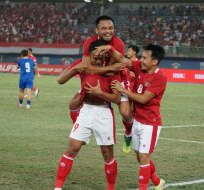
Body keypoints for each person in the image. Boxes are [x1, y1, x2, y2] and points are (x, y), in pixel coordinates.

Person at [95, 44, 167, 190]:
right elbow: (122, 59)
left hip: (150, 124)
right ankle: (158, 182)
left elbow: (143, 99)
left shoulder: (159, 77)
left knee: (144, 158)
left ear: (155, 61)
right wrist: (110, 48)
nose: (141, 60)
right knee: (140, 157)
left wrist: (123, 90)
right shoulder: (140, 67)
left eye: (145, 58)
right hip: (137, 121)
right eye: (142, 57)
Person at [54, 39, 121, 190]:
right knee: (72, 148)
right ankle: (58, 187)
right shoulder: (82, 64)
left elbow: (116, 99)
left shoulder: (112, 71)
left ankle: (111, 187)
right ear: (89, 55)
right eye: (94, 58)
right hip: (86, 111)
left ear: (105, 56)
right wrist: (76, 69)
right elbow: (60, 80)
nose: (98, 61)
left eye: (100, 58)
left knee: (107, 153)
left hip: (104, 113)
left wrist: (100, 93)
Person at [68, 16, 135, 154]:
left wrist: (110, 56)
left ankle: (128, 133)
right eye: (104, 28)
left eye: (111, 28)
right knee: (74, 102)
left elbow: (119, 66)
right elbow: (87, 67)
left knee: (125, 112)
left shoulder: (119, 44)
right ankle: (80, 128)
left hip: (117, 77)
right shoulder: (89, 43)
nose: (108, 31)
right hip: (98, 76)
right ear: (97, 30)